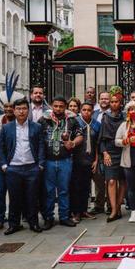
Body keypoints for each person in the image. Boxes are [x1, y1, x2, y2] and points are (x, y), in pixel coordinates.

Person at [0, 98, 44, 235]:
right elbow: (2, 148)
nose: (21, 111)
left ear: (28, 110)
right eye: (18, 109)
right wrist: (5, 165)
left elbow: (41, 146)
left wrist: (40, 165)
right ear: (14, 111)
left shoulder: (36, 127)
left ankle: (33, 222)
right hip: (14, 168)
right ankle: (14, 224)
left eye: (24, 108)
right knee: (14, 198)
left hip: (32, 167)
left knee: (32, 197)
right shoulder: (6, 128)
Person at [0, 79, 24, 231]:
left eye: (10, 107)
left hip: (17, 163)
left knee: (16, 194)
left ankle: (16, 219)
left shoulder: (22, 122)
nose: (8, 109)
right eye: (6, 106)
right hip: (0, 164)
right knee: (0, 192)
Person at [38, 97, 83, 229]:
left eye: (61, 106)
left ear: (65, 107)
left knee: (64, 190)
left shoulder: (72, 120)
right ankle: (48, 217)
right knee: (49, 191)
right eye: (56, 106)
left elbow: (80, 135)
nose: (58, 108)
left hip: (65, 160)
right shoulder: (43, 120)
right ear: (52, 106)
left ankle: (64, 217)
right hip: (48, 161)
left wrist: (73, 142)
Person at [98, 90, 127, 222]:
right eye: (112, 102)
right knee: (110, 180)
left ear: (120, 104)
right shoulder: (105, 117)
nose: (114, 104)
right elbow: (101, 139)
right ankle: (114, 209)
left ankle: (119, 207)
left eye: (116, 102)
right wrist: (104, 153)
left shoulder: (125, 118)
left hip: (123, 150)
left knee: (123, 181)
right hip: (110, 152)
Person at [71, 102, 100, 223]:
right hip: (77, 159)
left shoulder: (96, 125)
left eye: (89, 110)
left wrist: (96, 160)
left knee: (86, 186)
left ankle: (84, 210)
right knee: (76, 186)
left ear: (92, 112)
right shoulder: (75, 122)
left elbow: (98, 143)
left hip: (89, 159)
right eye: (84, 110)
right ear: (80, 110)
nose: (86, 112)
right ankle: (76, 212)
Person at [90, 90, 112, 215]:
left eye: (106, 99)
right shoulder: (94, 113)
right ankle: (98, 205)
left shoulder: (114, 114)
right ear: (98, 100)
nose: (104, 101)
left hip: (109, 150)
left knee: (110, 178)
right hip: (96, 150)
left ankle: (110, 205)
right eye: (102, 98)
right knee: (98, 178)